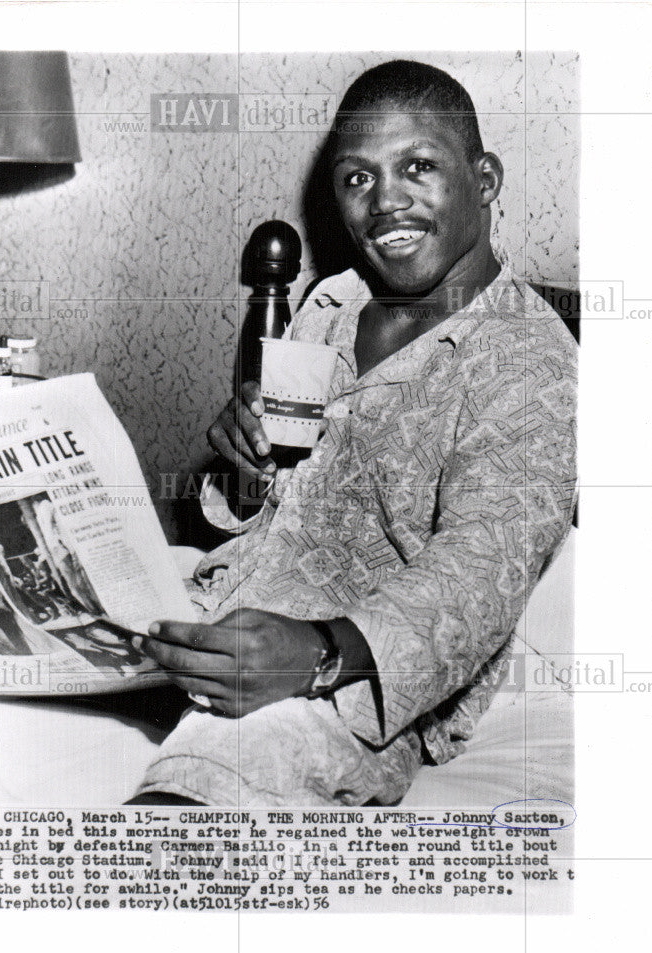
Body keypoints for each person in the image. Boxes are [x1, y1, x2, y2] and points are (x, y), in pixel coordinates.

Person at [128, 60, 577, 806]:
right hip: (232, 599)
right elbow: (272, 499)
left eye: (418, 167)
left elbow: (479, 573)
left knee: (218, 768)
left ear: (485, 179)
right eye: (357, 179)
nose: (385, 202)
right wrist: (238, 463)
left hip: (355, 670)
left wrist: (317, 655)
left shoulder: (530, 360)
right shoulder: (331, 304)